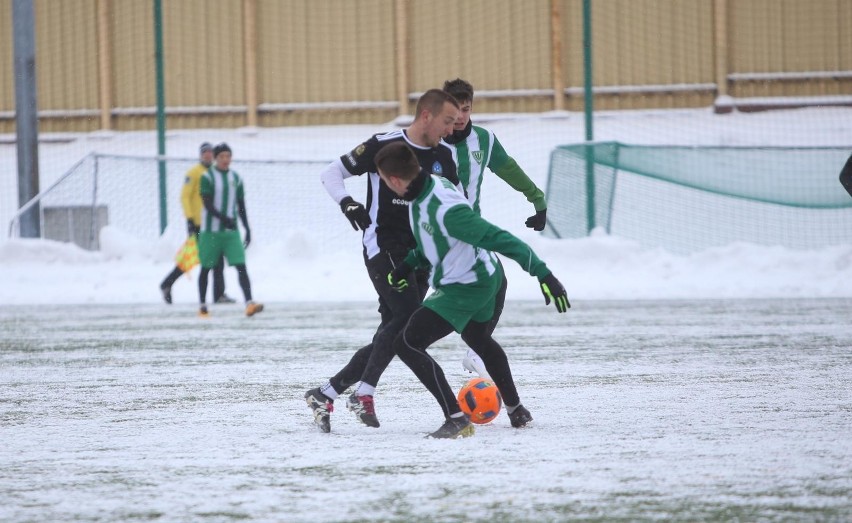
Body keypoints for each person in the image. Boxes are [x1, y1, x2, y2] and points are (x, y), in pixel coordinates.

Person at [375, 141, 569, 438]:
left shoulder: (447, 209)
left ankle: (456, 418)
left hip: (469, 285)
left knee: (407, 343)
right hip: (482, 276)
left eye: (384, 181)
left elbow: (499, 237)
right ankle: (517, 409)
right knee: (476, 336)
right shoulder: (427, 188)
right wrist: (407, 265)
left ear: (395, 180)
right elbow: (435, 240)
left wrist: (544, 273)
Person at [304, 89, 461, 433]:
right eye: (447, 121)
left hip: (423, 255)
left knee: (392, 332)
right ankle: (365, 393)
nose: (452, 128)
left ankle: (325, 393)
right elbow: (331, 173)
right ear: (426, 116)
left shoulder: (446, 156)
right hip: (384, 248)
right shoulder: (382, 144)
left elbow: (455, 204)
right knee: (407, 322)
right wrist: (347, 203)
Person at [442, 78, 549, 379]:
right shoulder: (427, 141)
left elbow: (509, 169)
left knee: (497, 282)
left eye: (466, 108)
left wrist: (537, 200)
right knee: (408, 320)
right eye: (455, 109)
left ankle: (476, 351)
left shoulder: (484, 140)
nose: (461, 115)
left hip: (471, 233)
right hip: (433, 236)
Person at [159, 142, 234, 304]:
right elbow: (185, 197)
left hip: (213, 224)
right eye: (204, 152)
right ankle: (168, 283)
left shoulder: (215, 174)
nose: (207, 155)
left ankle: (218, 294)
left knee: (212, 258)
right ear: (200, 155)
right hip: (200, 224)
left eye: (209, 152)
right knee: (204, 258)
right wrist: (190, 219)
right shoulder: (194, 173)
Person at [197, 142, 263, 318]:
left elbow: (241, 205)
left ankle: (249, 303)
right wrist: (223, 218)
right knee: (206, 267)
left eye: (228, 156)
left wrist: (247, 228)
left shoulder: (236, 178)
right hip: (210, 232)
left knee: (241, 265)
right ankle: (203, 306)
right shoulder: (208, 177)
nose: (226, 160)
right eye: (222, 157)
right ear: (216, 159)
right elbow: (207, 203)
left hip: (230, 232)